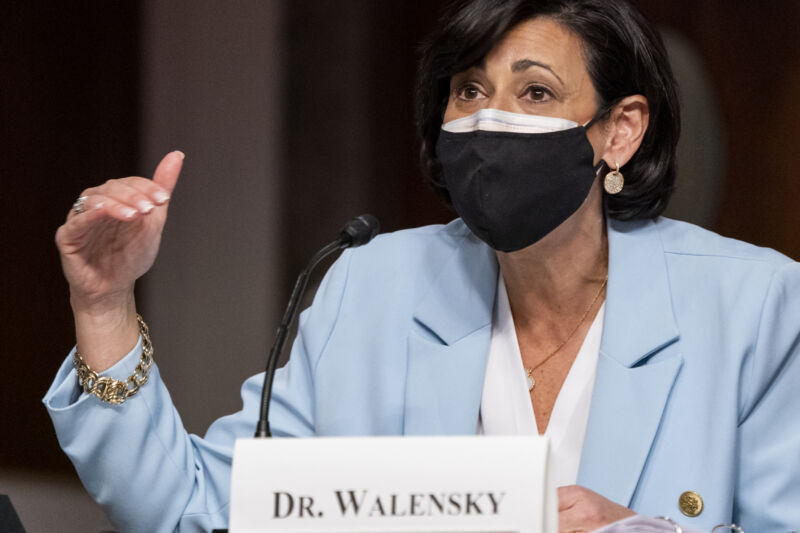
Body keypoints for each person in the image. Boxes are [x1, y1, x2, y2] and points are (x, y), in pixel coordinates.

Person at [45, 0, 800, 532]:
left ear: (620, 132)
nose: (488, 116)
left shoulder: (755, 305)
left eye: (534, 92)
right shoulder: (370, 287)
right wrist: (106, 304)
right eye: (469, 89)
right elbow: (198, 509)